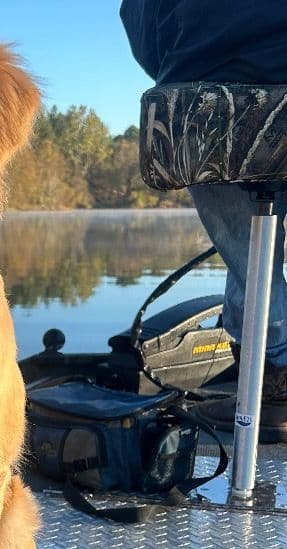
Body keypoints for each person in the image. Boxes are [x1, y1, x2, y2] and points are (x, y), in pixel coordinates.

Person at [121, 0, 287, 442]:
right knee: (254, 252)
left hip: (209, 95)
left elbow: (139, 20)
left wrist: (180, 68)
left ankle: (274, 385)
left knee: (252, 255)